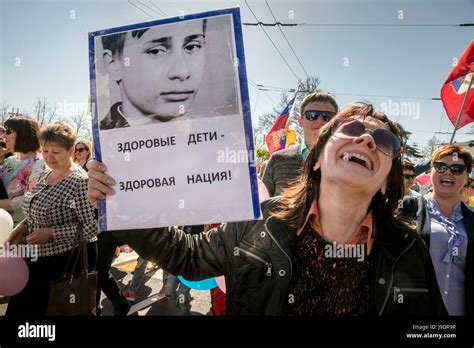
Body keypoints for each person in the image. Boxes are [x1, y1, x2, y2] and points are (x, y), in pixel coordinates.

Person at [87, 102, 446, 316]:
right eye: (351, 129)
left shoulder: (407, 250)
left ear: (387, 180)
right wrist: (120, 200)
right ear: (318, 158)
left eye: (384, 140)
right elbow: (189, 257)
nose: (367, 139)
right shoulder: (263, 221)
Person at [6, 122, 98, 316]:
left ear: (71, 150)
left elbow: (91, 228)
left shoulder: (80, 181)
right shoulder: (46, 174)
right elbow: (34, 210)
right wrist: (20, 230)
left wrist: (51, 233)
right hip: (36, 259)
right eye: (45, 151)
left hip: (63, 265)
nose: (48, 157)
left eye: (55, 152)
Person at [401, 145, 473, 316]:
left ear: (466, 176)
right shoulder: (407, 207)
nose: (448, 172)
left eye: (457, 169)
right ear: (431, 170)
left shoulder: (471, 219)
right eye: (441, 166)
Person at [100, 19, 207, 129]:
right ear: (113, 64)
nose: (182, 72)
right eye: (156, 51)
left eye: (191, 47)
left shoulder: (211, 131)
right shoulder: (104, 141)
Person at [263, 92, 338, 196]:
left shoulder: (346, 162)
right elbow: (262, 206)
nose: (320, 121)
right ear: (301, 121)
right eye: (312, 115)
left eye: (328, 116)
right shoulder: (277, 160)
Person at [0, 117, 45, 225]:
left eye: (8, 132)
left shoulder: (41, 163)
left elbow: (28, 198)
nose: (3, 136)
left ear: (23, 135)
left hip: (20, 230)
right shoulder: (9, 161)